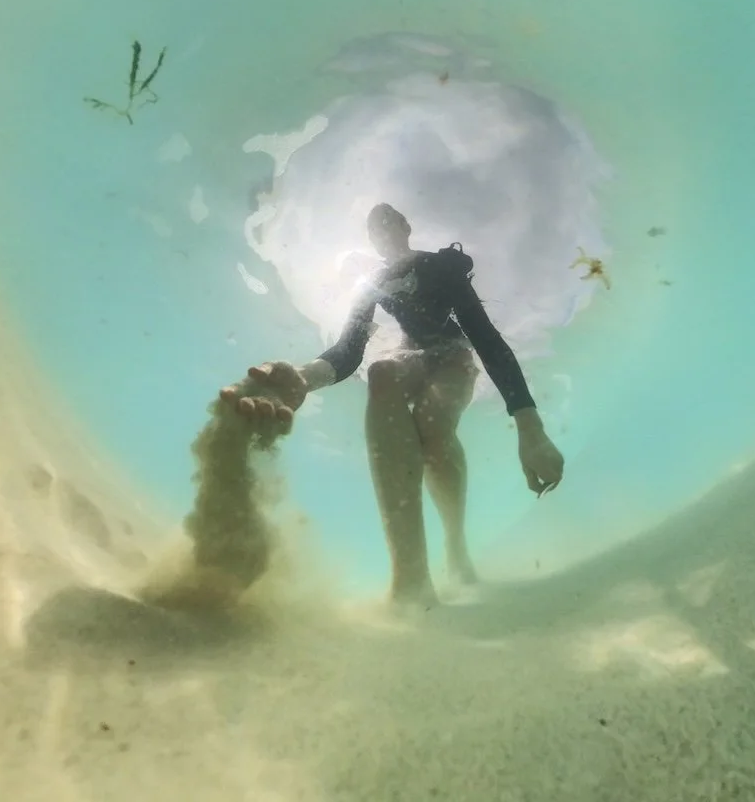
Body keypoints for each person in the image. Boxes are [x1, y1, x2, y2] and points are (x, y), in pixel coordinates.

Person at [219, 203, 565, 605]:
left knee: (433, 424)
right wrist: (303, 378)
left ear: (405, 225)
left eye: (388, 221)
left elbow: (485, 337)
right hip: (411, 355)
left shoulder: (441, 266)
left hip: (453, 356)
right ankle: (411, 581)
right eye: (373, 228)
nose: (381, 230)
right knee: (382, 370)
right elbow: (348, 353)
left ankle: (455, 545)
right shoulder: (374, 284)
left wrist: (530, 427)